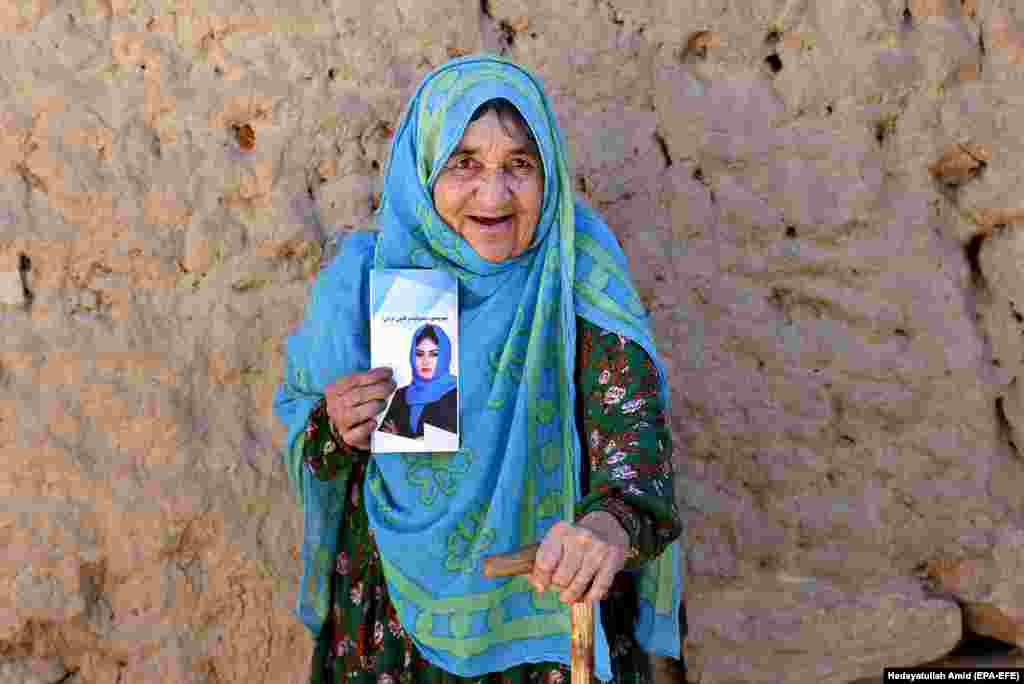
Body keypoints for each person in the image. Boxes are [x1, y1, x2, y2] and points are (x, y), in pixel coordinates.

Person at [273, 53, 685, 684]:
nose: (493, 195)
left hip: (547, 623)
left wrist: (603, 529)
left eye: (519, 165)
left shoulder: (578, 273)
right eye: (463, 163)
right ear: (424, 168)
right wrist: (335, 424)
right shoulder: (364, 280)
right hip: (392, 631)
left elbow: (636, 450)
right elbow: (310, 445)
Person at [379, 323, 458, 438]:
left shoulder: (455, 394)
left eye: (434, 354)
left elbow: (450, 441)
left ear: (444, 356)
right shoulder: (401, 394)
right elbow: (384, 436)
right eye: (419, 354)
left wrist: (400, 437)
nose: (425, 361)